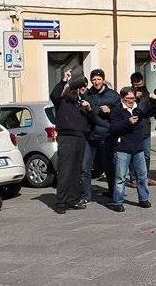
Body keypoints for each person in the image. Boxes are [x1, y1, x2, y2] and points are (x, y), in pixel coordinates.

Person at [49, 70, 95, 214]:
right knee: (65, 170)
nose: (80, 89)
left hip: (80, 137)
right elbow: (54, 95)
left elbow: (93, 121)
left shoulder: (84, 101)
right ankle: (61, 202)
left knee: (76, 171)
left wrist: (89, 109)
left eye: (83, 86)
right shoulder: (62, 99)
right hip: (66, 137)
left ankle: (73, 199)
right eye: (78, 86)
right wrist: (64, 80)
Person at [81, 69, 120, 204]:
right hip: (90, 135)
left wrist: (110, 111)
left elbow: (120, 113)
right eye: (94, 80)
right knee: (85, 167)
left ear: (103, 79)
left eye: (98, 79)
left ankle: (113, 191)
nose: (96, 82)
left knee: (109, 165)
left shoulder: (113, 95)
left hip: (106, 135)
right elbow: (83, 114)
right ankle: (86, 195)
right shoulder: (87, 94)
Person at [110, 87, 151, 213]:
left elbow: (151, 111)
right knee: (120, 177)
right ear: (122, 98)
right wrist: (127, 122)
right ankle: (118, 202)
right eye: (128, 98)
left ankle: (143, 198)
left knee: (142, 176)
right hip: (123, 147)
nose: (131, 101)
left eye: (133, 98)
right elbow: (113, 128)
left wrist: (153, 100)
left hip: (138, 147)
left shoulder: (138, 109)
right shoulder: (117, 110)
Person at [127, 72, 156, 187]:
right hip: (133, 128)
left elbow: (153, 111)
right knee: (133, 153)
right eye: (136, 85)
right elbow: (127, 108)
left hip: (145, 127)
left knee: (146, 154)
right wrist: (135, 98)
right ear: (132, 83)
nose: (139, 87)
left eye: (140, 84)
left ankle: (145, 177)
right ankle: (134, 178)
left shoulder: (146, 92)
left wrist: (154, 100)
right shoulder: (128, 93)